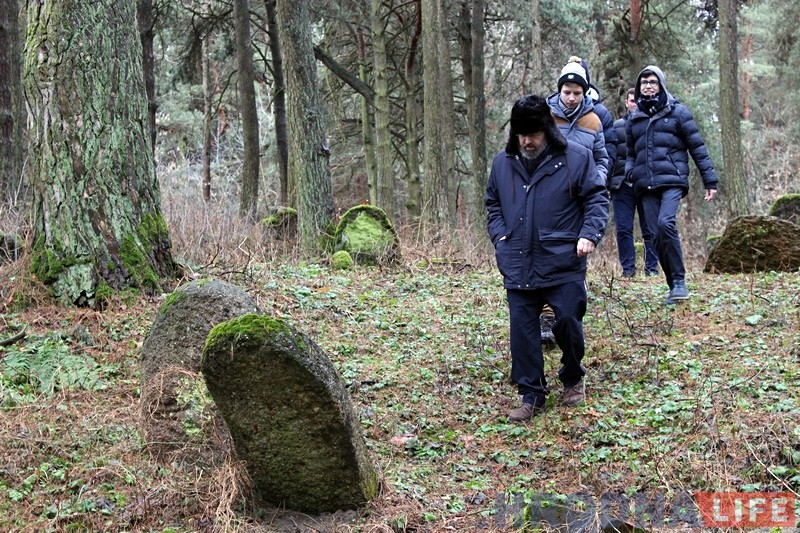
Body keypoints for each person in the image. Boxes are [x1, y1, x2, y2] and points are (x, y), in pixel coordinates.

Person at [485, 94, 609, 422]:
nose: (527, 141)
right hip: (517, 260)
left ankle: (572, 377)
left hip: (563, 258)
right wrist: (499, 236)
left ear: (547, 130)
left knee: (567, 320)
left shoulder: (576, 159)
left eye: (534, 134)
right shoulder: (503, 162)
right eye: (521, 134)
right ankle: (531, 393)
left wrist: (588, 234)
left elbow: (597, 199)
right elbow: (493, 203)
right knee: (522, 330)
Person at [625, 66, 718, 304]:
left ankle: (679, 280)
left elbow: (697, 147)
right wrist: (629, 170)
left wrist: (710, 180)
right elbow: (630, 152)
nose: (647, 85)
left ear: (661, 84)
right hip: (645, 183)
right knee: (655, 236)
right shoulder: (634, 118)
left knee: (666, 223)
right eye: (644, 82)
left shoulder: (678, 112)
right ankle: (673, 285)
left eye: (652, 82)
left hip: (672, 179)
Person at [538, 60, 609, 346]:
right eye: (566, 91)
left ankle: (569, 313)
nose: (571, 98)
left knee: (576, 254)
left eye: (576, 93)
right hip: (549, 199)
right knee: (545, 253)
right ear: (560, 91)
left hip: (580, 201)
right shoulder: (545, 116)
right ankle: (545, 317)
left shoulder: (593, 120)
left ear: (585, 92)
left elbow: (603, 158)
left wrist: (595, 178)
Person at [609, 88, 658, 277]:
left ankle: (652, 269)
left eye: (638, 100)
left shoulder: (652, 125)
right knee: (623, 229)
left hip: (647, 186)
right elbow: (610, 156)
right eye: (631, 100)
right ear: (626, 103)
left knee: (650, 229)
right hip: (622, 186)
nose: (634, 103)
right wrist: (608, 185)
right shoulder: (616, 126)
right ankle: (628, 270)